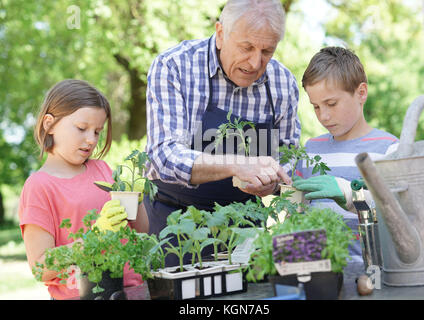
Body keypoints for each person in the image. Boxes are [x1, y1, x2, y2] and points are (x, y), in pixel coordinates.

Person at [144, 0, 301, 265]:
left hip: (245, 224)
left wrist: (272, 182)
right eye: (247, 47)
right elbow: (164, 155)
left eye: (267, 51)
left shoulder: (282, 83)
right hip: (176, 223)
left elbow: (288, 152)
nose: (255, 62)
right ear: (220, 34)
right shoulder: (174, 67)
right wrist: (237, 165)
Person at [18, 79, 149, 300]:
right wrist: (94, 238)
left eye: (97, 132)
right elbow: (41, 267)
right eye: (81, 128)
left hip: (132, 291)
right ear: (49, 124)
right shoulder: (39, 186)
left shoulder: (103, 170)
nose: (91, 140)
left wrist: (136, 199)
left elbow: (141, 233)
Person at [294, 47, 399, 266]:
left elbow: (399, 217)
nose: (324, 116)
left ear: (361, 93)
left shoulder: (388, 150)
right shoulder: (311, 150)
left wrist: (351, 194)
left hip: (374, 277)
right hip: (322, 276)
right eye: (316, 107)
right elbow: (297, 217)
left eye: (331, 104)